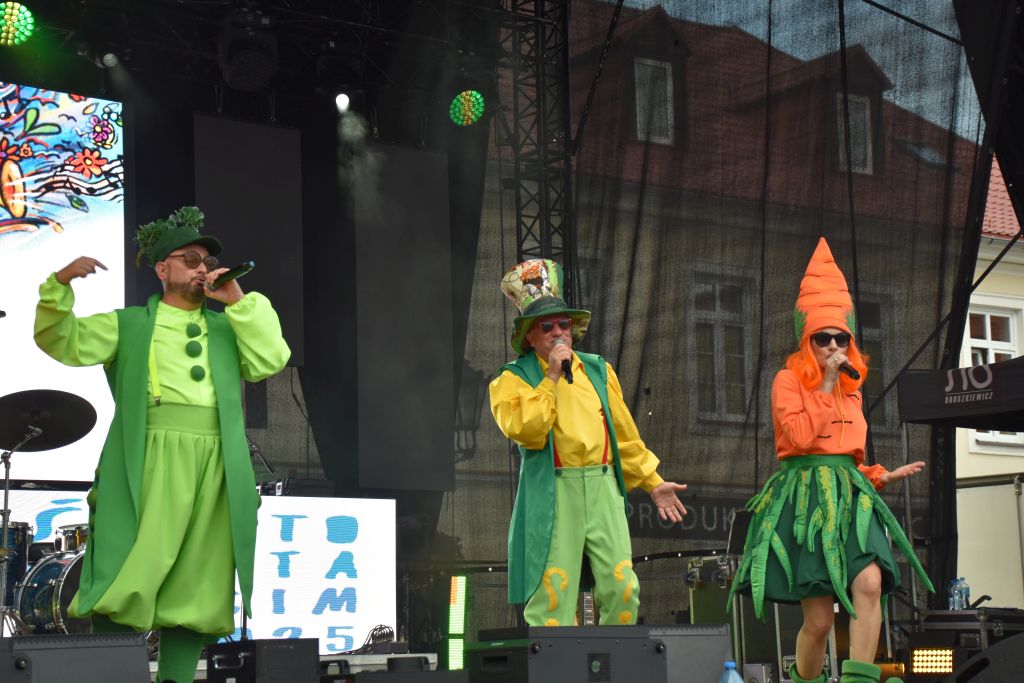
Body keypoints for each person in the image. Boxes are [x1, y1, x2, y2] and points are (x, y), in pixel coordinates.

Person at [34, 206, 290, 683]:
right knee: (127, 572)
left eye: (207, 261)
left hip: (215, 463)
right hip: (149, 459)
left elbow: (271, 358)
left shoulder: (228, 327)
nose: (201, 268)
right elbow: (61, 340)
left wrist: (235, 299)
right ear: (161, 270)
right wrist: (60, 284)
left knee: (197, 582)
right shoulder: (128, 324)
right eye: (190, 259)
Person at [729, 238, 933, 683]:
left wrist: (880, 475)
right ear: (808, 341)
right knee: (819, 623)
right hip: (806, 500)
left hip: (849, 500)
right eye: (823, 338)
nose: (833, 345)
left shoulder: (851, 391)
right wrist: (824, 384)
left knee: (871, 583)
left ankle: (860, 680)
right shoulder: (788, 381)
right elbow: (802, 439)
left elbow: (845, 459)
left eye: (842, 338)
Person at [489, 259, 688, 627]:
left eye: (563, 324)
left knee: (622, 588)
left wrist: (653, 482)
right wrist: (551, 377)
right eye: (546, 327)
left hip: (602, 486)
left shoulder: (598, 370)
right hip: (554, 490)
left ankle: (616, 658)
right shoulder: (511, 380)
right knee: (554, 596)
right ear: (529, 336)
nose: (558, 333)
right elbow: (528, 431)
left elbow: (623, 436)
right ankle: (557, 660)